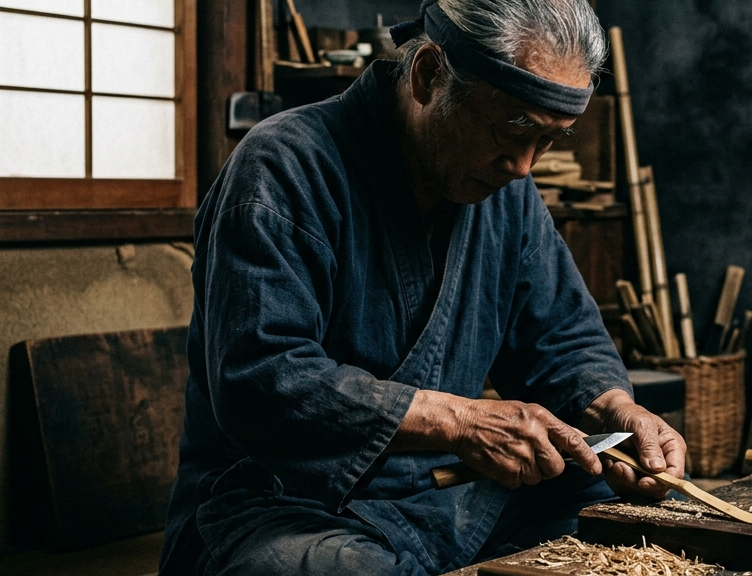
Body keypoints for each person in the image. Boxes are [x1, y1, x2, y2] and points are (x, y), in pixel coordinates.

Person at [159, 0, 686, 574]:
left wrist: (615, 411)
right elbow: (262, 379)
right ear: (429, 74)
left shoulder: (507, 193)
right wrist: (460, 422)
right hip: (281, 508)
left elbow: (561, 339)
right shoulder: (283, 167)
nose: (524, 165)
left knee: (620, 517)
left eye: (550, 139)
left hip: (442, 499)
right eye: (513, 127)